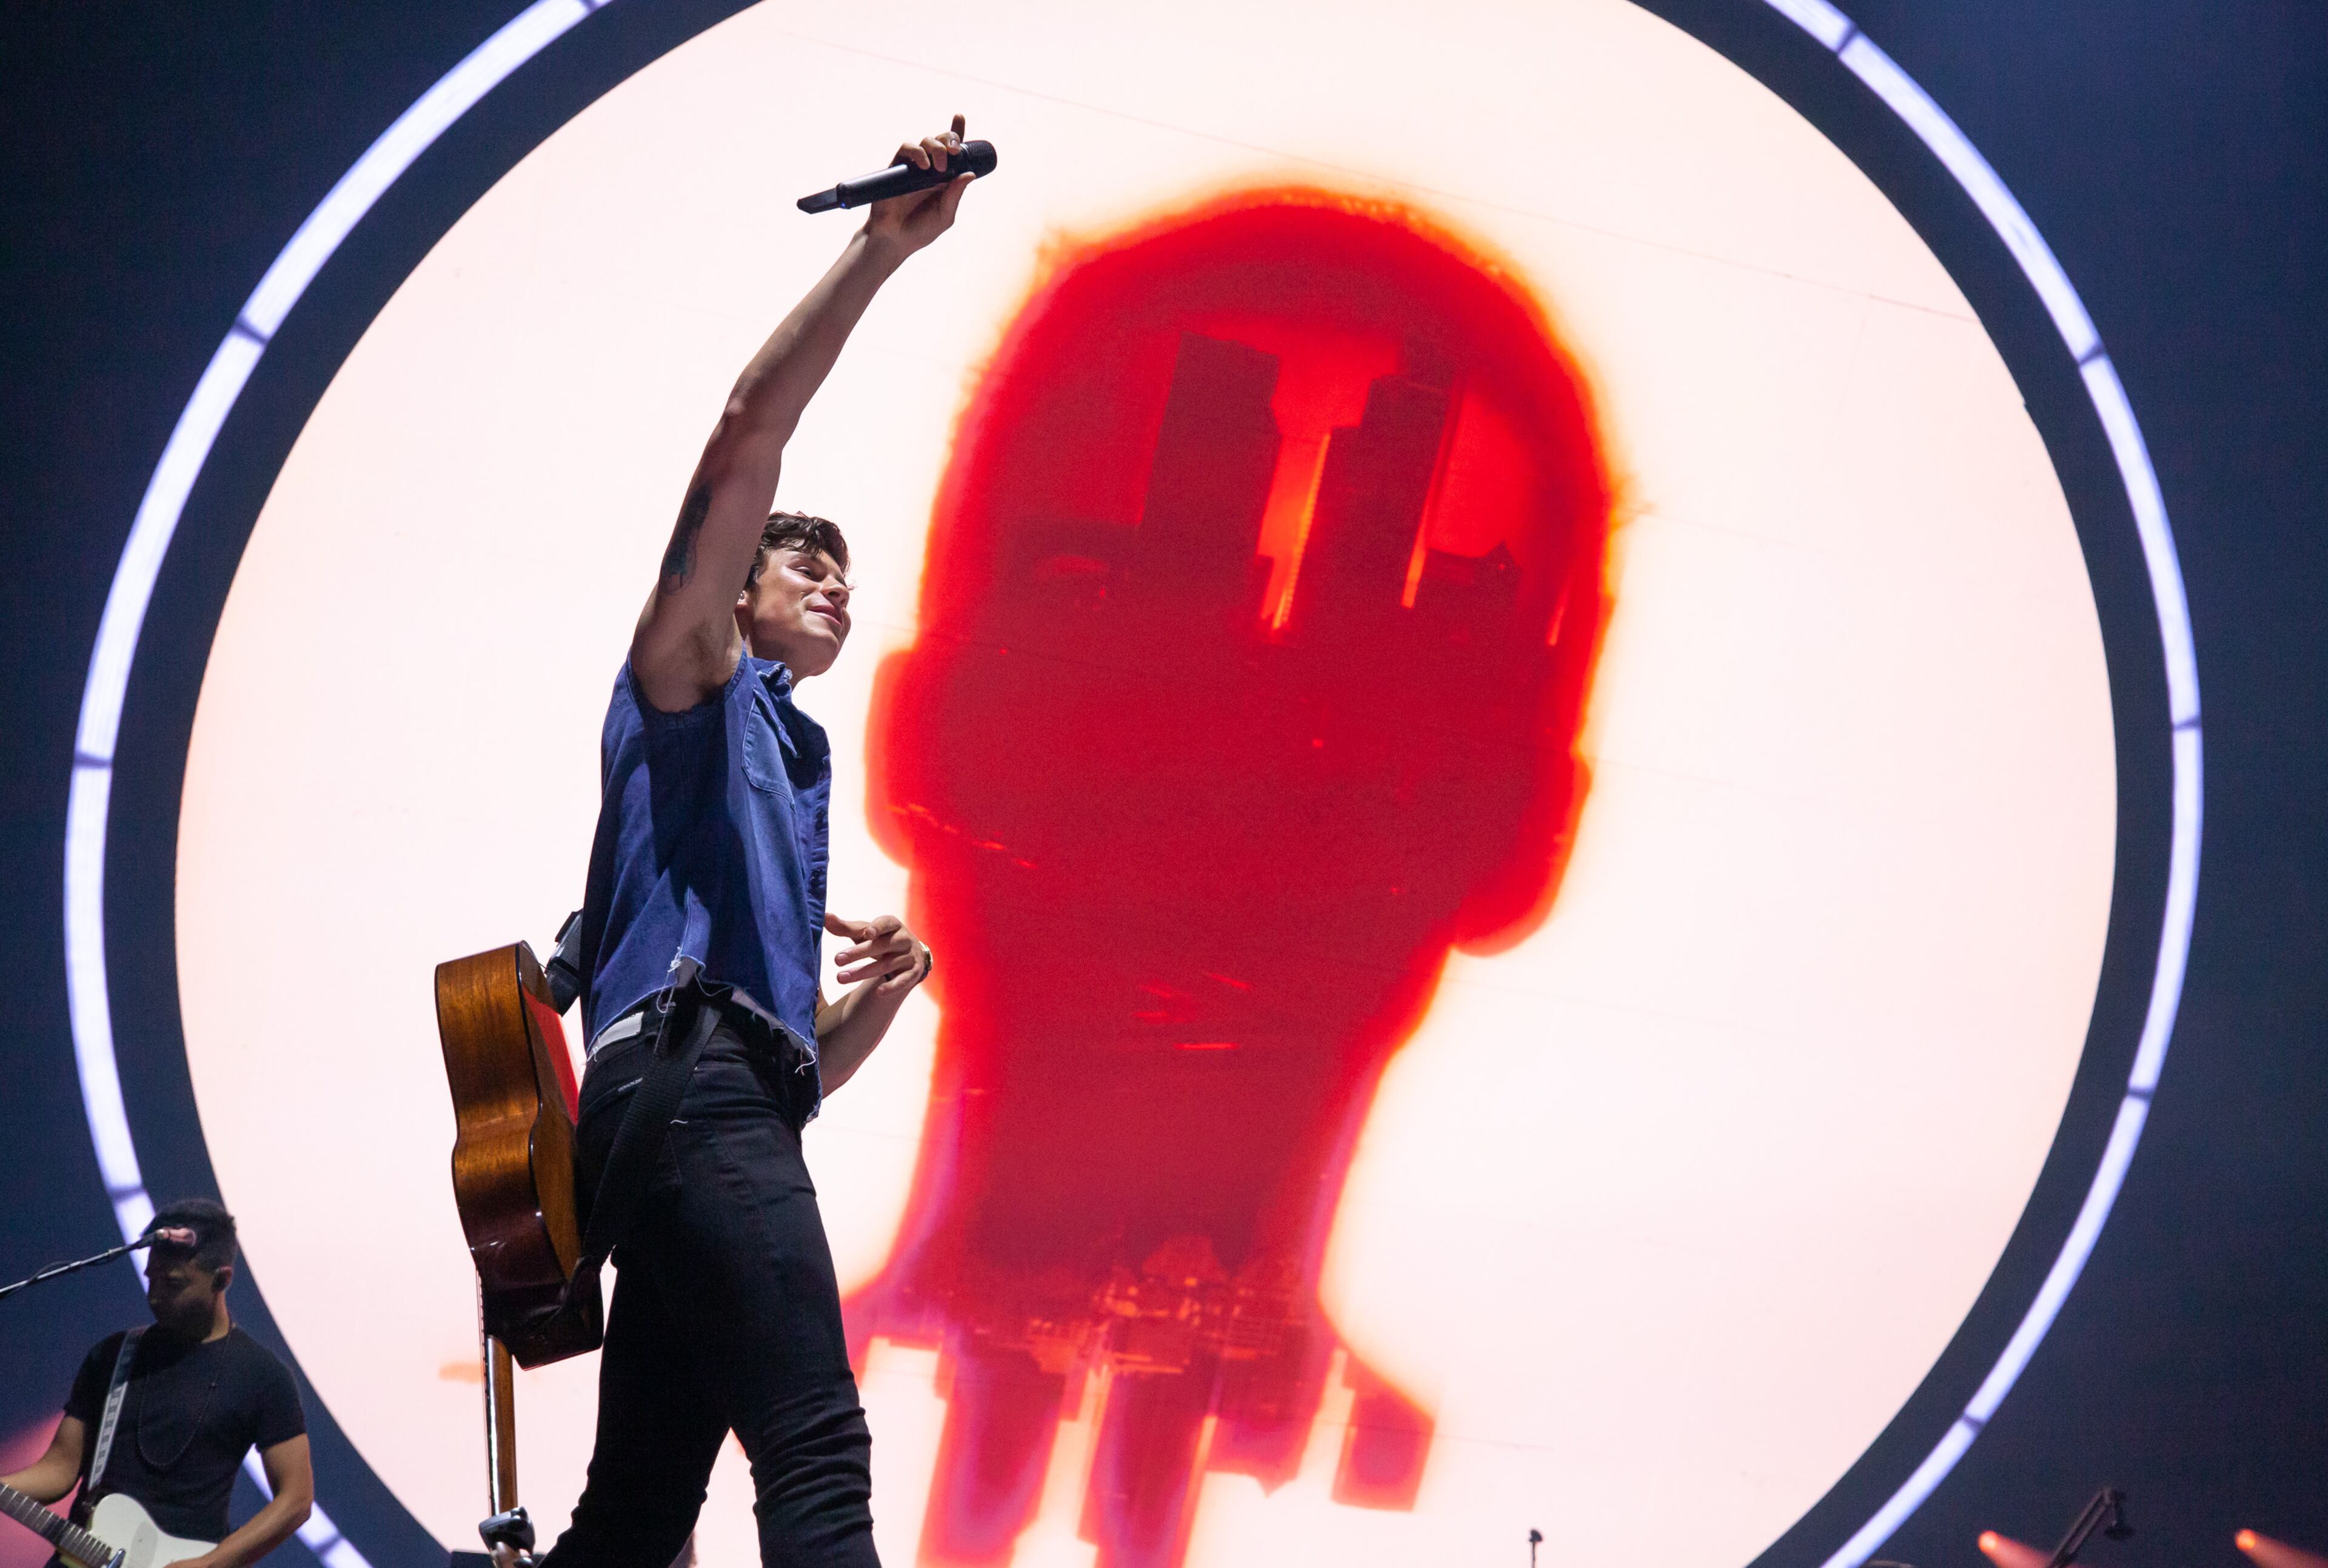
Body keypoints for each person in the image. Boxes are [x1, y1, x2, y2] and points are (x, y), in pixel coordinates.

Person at [534, 118, 972, 1568]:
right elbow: (745, 433)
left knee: (642, 1505)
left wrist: (876, 999)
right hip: (686, 1094)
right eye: (801, 556)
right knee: (813, 1440)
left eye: (844, 564)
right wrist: (878, 248)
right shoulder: (687, 678)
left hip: (706, 1111)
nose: (833, 579)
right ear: (732, 590)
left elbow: (794, 1075)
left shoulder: (791, 752)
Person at [2, 1200, 313, 1568]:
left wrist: (214, 1563)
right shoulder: (113, 1356)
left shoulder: (262, 1375)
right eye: (152, 1278)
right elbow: (60, 1470)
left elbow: (296, 1500)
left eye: (174, 1283)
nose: (154, 1295)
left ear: (222, 1279)